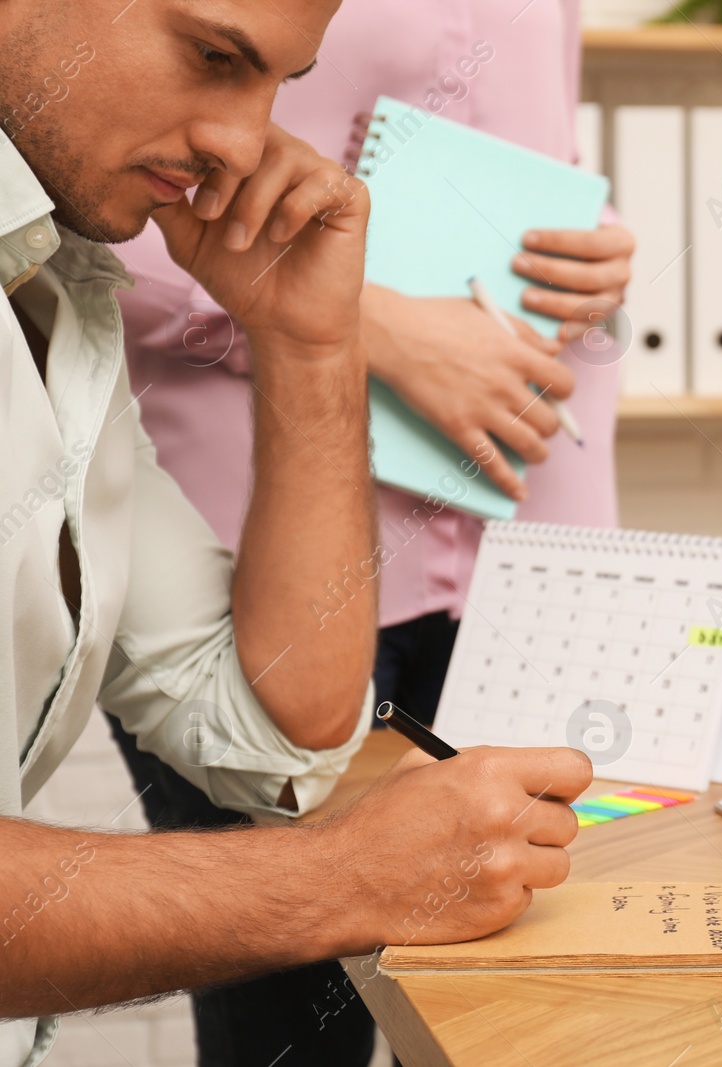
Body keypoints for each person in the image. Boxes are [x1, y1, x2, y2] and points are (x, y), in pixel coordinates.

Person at [0, 2, 592, 1064]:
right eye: (213, 55)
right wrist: (344, 876)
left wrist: (312, 341)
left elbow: (275, 730)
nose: (242, 138)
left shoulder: (52, 284)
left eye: (275, 82)